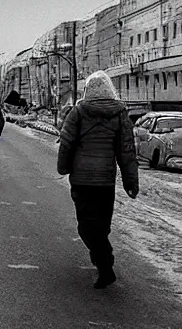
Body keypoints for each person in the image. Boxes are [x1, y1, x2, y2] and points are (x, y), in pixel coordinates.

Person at [57, 70, 138, 289]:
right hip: (105, 182)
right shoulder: (121, 115)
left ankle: (104, 264)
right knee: (101, 225)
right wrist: (131, 182)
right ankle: (103, 260)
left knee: (86, 226)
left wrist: (62, 167)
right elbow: (127, 152)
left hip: (82, 181)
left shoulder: (78, 113)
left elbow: (66, 143)